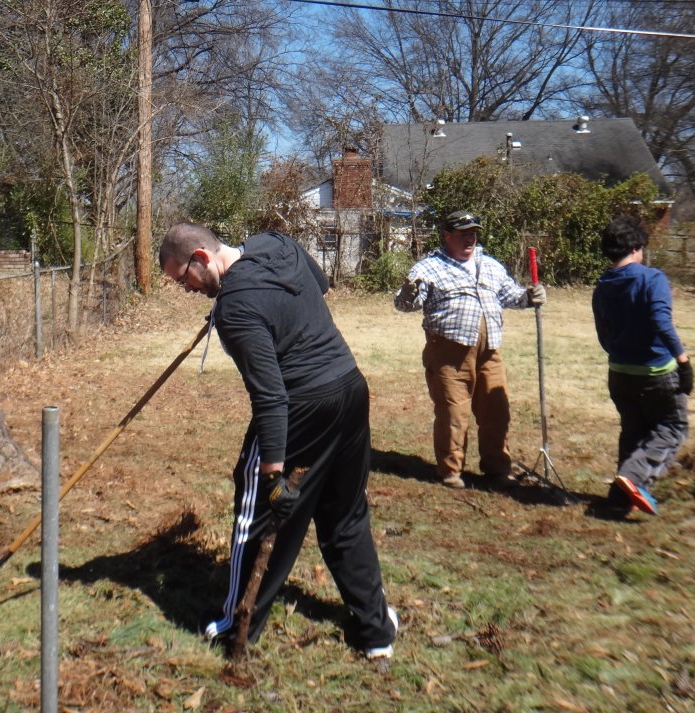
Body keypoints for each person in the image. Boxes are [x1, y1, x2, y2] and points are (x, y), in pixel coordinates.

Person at [158, 222, 397, 660]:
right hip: (349, 388)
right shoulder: (277, 243)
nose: (186, 289)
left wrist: (272, 475)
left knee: (257, 512)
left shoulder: (234, 308)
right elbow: (320, 285)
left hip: (301, 406)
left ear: (202, 257)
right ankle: (376, 631)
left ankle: (238, 625)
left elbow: (270, 395)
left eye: (183, 278)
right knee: (345, 516)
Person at [394, 210, 546, 489]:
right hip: (448, 353)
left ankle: (498, 468)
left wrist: (528, 296)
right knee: (454, 413)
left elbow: (510, 295)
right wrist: (408, 294)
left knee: (496, 411)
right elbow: (405, 305)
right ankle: (450, 471)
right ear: (447, 236)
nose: (469, 239)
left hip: (490, 352)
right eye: (463, 234)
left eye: (473, 234)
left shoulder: (490, 265)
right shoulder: (428, 268)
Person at [592, 215, 690, 516]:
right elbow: (661, 322)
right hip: (656, 373)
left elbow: (603, 332)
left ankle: (619, 499)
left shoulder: (603, 284)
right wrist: (683, 360)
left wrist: (620, 353)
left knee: (633, 432)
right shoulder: (652, 278)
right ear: (635, 247)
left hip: (620, 373)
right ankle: (633, 479)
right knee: (672, 427)